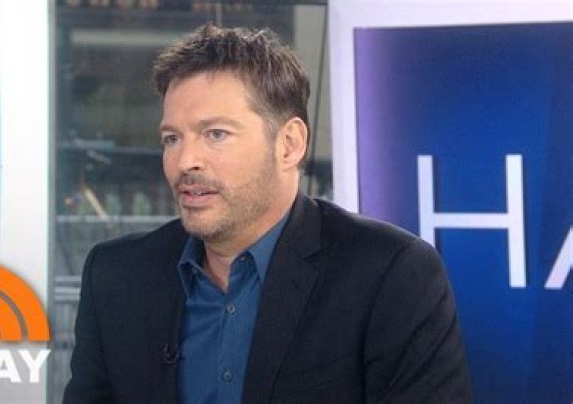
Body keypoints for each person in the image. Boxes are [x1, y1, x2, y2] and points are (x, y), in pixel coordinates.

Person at [63, 24, 472, 404]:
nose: (185, 161)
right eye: (172, 138)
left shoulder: (389, 274)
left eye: (216, 134)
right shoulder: (116, 276)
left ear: (289, 144)